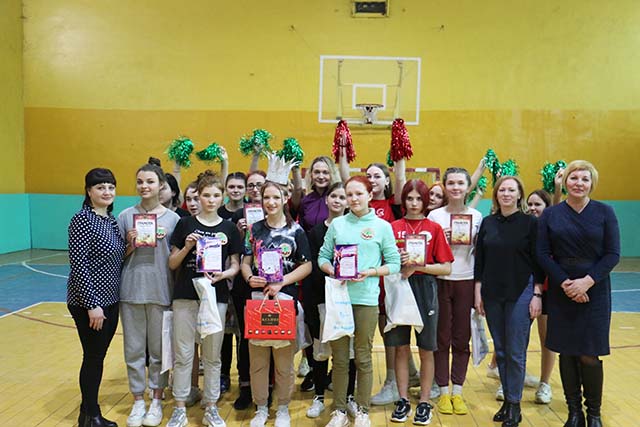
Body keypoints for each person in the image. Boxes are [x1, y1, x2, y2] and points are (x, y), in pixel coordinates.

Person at [537, 160, 620, 427]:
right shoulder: (551, 215)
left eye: (585, 179)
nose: (579, 183)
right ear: (565, 182)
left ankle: (593, 413)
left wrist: (586, 282)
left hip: (595, 290)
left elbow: (613, 254)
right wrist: (565, 283)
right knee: (567, 352)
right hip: (562, 290)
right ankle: (574, 413)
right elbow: (542, 253)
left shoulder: (605, 212)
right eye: (574, 178)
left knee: (589, 353)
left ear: (591, 184)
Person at [318, 176, 401, 427]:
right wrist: (334, 271)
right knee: (340, 359)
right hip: (339, 300)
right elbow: (322, 257)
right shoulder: (338, 225)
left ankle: (363, 410)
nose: (353, 199)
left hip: (366, 300)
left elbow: (394, 263)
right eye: (349, 195)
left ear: (369, 195)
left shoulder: (382, 227)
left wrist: (371, 272)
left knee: (363, 357)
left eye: (358, 194)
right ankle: (339, 411)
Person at [166, 171, 242, 427]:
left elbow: (235, 265)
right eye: (206, 195)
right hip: (185, 297)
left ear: (222, 197)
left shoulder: (229, 228)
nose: (210, 200)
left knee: (212, 355)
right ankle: (179, 407)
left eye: (215, 195)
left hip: (215, 297)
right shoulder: (185, 224)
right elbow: (172, 262)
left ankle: (211, 406)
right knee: (184, 354)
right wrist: (188, 247)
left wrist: (224, 275)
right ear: (198, 196)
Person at [474, 176, 544, 427]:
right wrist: (478, 291)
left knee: (515, 351)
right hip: (492, 293)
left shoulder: (530, 223)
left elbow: (538, 261)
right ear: (496, 195)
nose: (506, 193)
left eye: (511, 190)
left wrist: (537, 294)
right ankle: (507, 401)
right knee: (501, 350)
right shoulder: (488, 222)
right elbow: (480, 260)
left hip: (521, 291)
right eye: (502, 189)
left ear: (519, 194)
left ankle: (514, 404)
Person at [240, 181, 312, 427]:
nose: (270, 202)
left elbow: (307, 265)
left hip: (285, 301)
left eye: (275, 197)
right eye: (266, 198)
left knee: (283, 362)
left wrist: (282, 282)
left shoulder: (296, 231)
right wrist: (249, 277)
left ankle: (282, 408)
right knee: (258, 361)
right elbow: (245, 262)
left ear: (284, 199)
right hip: (257, 301)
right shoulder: (254, 229)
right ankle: (261, 407)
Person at [118, 161, 180, 427]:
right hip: (131, 290)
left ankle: (156, 399)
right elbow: (116, 258)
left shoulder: (173, 219)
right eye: (140, 182)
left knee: (158, 351)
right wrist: (130, 245)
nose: (144, 186)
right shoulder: (124, 216)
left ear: (161, 185)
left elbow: (176, 259)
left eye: (150, 182)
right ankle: (137, 400)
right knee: (133, 350)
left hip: (161, 290)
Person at [388, 179, 454, 425]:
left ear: (425, 201)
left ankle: (424, 401)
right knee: (401, 347)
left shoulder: (434, 228)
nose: (414, 203)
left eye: (419, 199)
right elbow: (384, 261)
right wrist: (399, 262)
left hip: (425, 288)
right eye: (409, 198)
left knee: (427, 348)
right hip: (398, 286)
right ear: (403, 200)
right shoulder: (392, 227)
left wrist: (418, 266)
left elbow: (446, 268)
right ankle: (403, 399)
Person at [67, 168, 125, 427]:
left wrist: (131, 243)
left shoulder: (110, 220)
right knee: (93, 357)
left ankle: (86, 413)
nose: (107, 192)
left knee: (97, 356)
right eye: (100, 187)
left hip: (111, 299)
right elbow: (79, 265)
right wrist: (92, 305)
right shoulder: (82, 220)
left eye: (110, 187)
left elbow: (114, 259)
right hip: (90, 303)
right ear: (89, 191)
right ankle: (92, 415)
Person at [427, 167, 483, 415]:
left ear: (467, 186)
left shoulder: (477, 216)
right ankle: (442, 391)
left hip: (466, 281)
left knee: (461, 338)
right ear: (445, 186)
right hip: (440, 280)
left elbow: (481, 252)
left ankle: (457, 391)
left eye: (461, 183)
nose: (456, 187)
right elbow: (426, 252)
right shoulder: (434, 216)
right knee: (441, 338)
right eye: (451, 183)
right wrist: (440, 239)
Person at [303, 182, 348, 419]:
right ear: (327, 200)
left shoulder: (353, 229)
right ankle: (319, 396)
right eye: (334, 196)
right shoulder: (315, 232)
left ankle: (348, 397)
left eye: (342, 197)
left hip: (348, 298)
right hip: (322, 297)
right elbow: (312, 266)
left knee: (348, 351)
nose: (338, 201)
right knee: (321, 350)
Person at [230, 170, 267, 410]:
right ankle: (245, 386)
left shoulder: (274, 213)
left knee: (270, 336)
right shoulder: (238, 215)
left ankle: (267, 386)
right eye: (251, 185)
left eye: (259, 185)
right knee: (246, 336)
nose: (254, 189)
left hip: (270, 284)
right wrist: (240, 231)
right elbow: (237, 251)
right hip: (245, 284)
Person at [527, 189, 556, 404]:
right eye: (530, 204)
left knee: (547, 339)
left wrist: (557, 187)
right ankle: (509, 380)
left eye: (537, 204)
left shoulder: (553, 229)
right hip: (523, 289)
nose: (532, 208)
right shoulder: (524, 227)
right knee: (517, 337)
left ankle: (544, 384)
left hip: (547, 290)